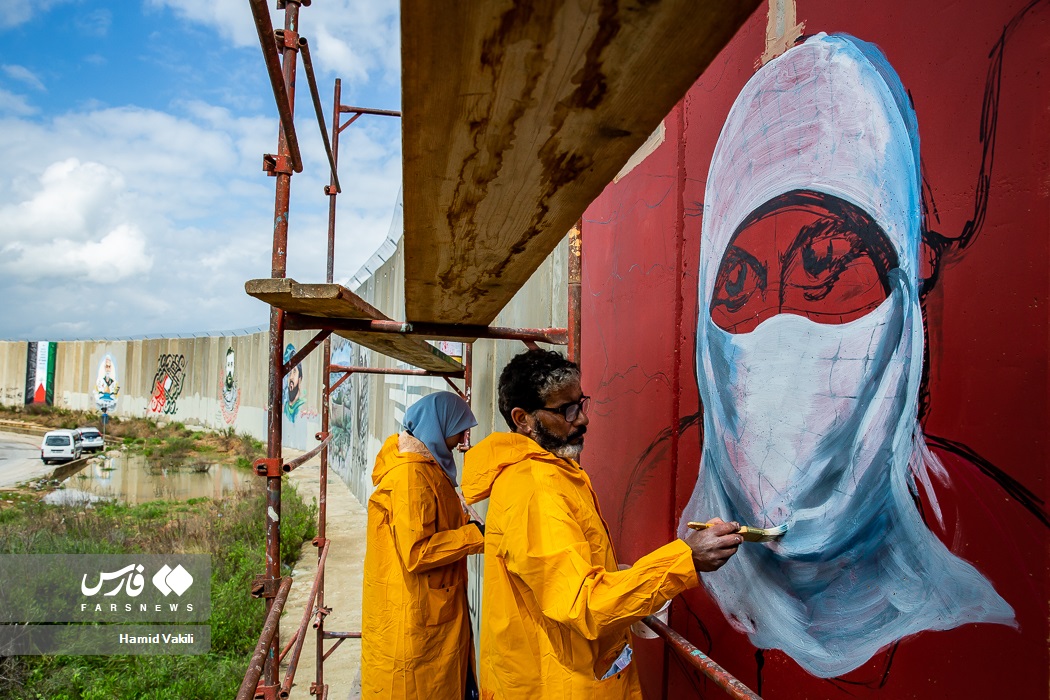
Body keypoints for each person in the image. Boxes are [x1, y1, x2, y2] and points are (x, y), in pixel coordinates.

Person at [461, 349, 742, 698]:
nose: (581, 419)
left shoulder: (553, 472)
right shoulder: (537, 488)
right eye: (565, 410)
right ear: (523, 419)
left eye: (581, 403)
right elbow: (586, 604)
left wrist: (616, 572)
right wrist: (686, 559)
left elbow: (564, 579)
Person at [360, 391, 484, 699]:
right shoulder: (410, 475)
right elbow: (417, 552)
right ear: (439, 426)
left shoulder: (426, 468)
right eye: (459, 428)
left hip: (428, 609)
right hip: (414, 621)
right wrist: (475, 535)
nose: (462, 438)